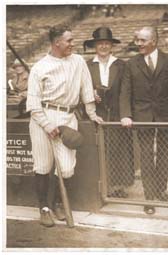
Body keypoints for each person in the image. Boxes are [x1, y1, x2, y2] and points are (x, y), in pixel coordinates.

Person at [26, 25, 103, 227]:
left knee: (67, 169)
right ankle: (43, 208)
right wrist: (46, 124)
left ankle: (58, 203)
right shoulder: (39, 67)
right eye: (68, 40)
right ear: (56, 42)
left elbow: (87, 88)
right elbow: (32, 103)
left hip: (68, 117)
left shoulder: (77, 61)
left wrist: (92, 113)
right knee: (43, 166)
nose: (72, 43)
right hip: (43, 116)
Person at [119, 26, 168, 215]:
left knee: (164, 154)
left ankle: (161, 190)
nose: (137, 43)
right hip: (142, 116)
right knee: (147, 155)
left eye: (142, 40)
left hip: (167, 115)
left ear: (153, 41)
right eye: (137, 40)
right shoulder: (131, 63)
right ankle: (150, 197)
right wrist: (126, 114)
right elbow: (126, 91)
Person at [83, 27, 134, 198]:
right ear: (95, 46)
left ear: (112, 46)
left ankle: (118, 187)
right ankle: (102, 186)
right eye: (100, 43)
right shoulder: (87, 66)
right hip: (97, 115)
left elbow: (126, 91)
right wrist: (91, 94)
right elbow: (81, 88)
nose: (103, 46)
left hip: (117, 113)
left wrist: (125, 114)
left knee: (118, 150)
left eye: (107, 43)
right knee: (99, 152)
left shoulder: (121, 65)